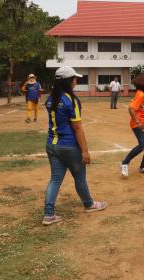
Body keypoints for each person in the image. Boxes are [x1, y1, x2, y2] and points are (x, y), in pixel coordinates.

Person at [43, 66, 106, 226]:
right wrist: (85, 151)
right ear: (67, 81)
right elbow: (77, 128)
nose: (76, 81)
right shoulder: (70, 100)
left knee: (55, 179)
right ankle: (89, 204)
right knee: (79, 177)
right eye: (74, 78)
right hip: (69, 146)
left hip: (52, 144)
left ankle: (49, 214)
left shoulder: (50, 98)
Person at [120, 74, 144, 177]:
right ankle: (124, 163)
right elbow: (131, 109)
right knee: (143, 144)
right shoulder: (140, 94)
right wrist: (138, 122)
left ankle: (142, 167)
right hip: (137, 125)